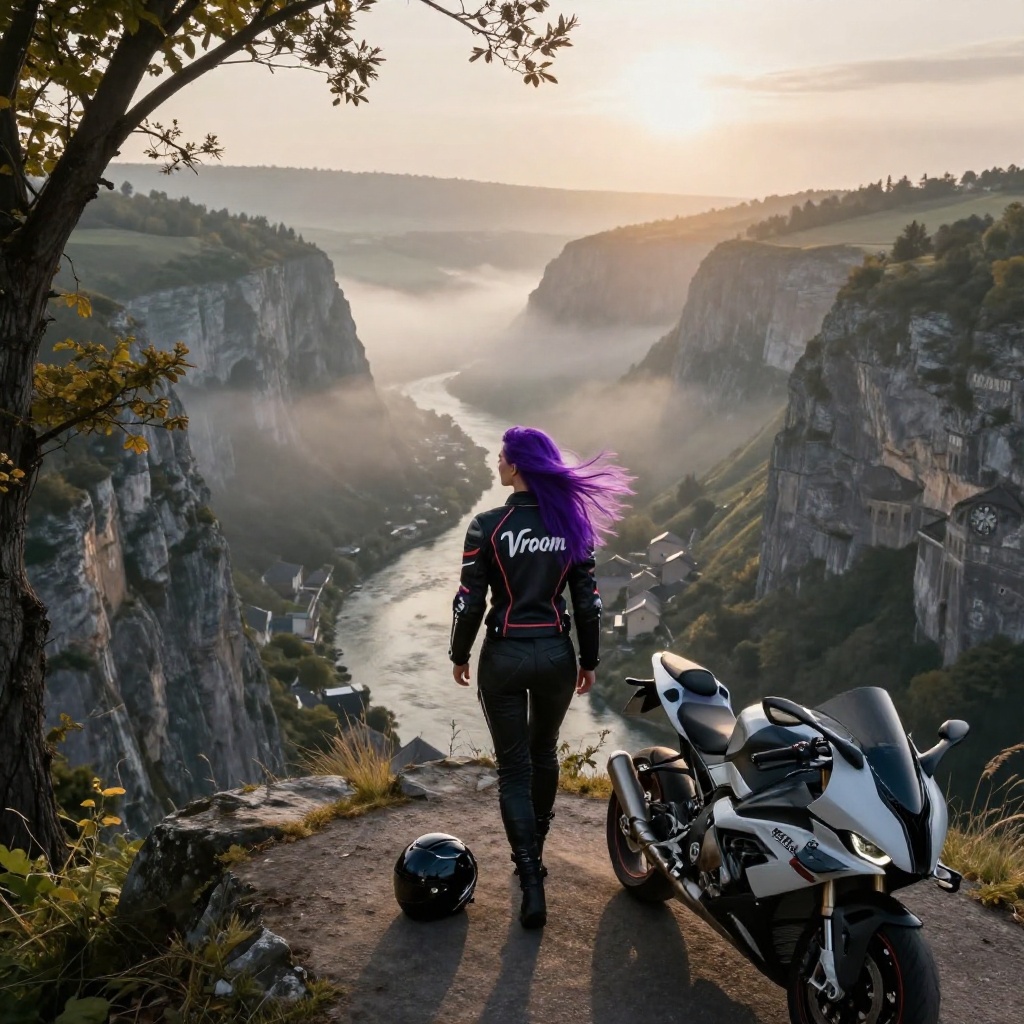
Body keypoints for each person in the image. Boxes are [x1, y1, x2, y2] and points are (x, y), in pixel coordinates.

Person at [449, 425, 633, 929]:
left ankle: (529, 877)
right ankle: (538, 851)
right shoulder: (571, 524)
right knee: (543, 752)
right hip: (556, 655)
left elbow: (470, 601)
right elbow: (588, 601)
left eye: (501, 456)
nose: (496, 463)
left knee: (512, 769)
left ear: (517, 466)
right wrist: (589, 661)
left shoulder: (487, 525)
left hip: (504, 656)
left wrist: (458, 653)